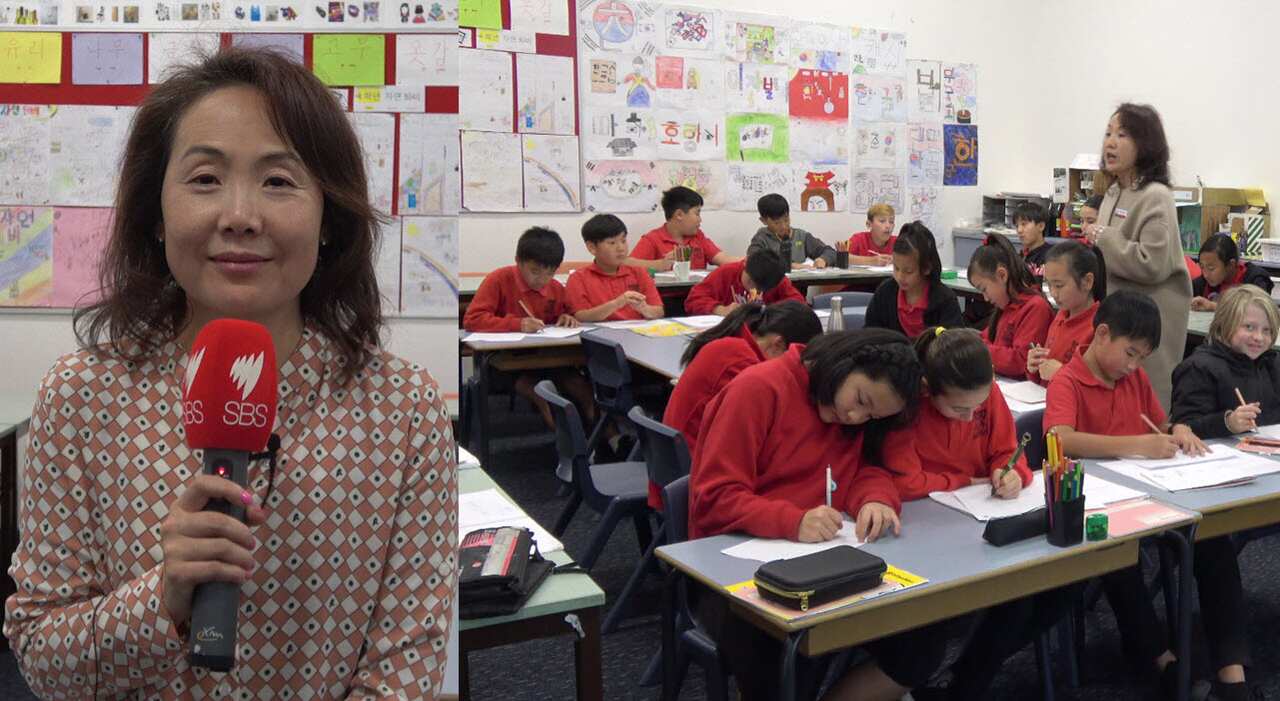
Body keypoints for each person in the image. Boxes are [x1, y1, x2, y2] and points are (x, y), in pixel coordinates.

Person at [4, 48, 455, 699]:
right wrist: (160, 599)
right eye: (205, 178)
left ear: (330, 216)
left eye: (279, 181)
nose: (240, 214)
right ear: (155, 217)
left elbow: (407, 657)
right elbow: (43, 660)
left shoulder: (404, 407)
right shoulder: (80, 395)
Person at [691, 329, 948, 701]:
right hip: (729, 572)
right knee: (777, 657)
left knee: (922, 640)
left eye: (870, 415)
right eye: (859, 399)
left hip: (819, 564)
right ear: (845, 362)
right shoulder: (759, 389)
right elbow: (712, 498)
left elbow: (868, 468)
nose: (854, 417)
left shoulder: (854, 417)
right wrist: (793, 521)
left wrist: (874, 498)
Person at [654, 301, 821, 508]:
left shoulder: (736, 342)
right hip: (692, 475)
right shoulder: (742, 363)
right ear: (777, 344)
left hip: (677, 462)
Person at [1082, 103, 1191, 408]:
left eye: (1122, 134)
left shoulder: (1156, 195)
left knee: (1145, 406)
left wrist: (1104, 237)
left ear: (1146, 145)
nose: (1110, 142)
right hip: (1118, 316)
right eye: (1108, 133)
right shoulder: (1115, 193)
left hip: (1149, 323)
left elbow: (1152, 264)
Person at [462, 226, 596, 430]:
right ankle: (570, 446)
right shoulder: (499, 279)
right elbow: (472, 319)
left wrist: (566, 317)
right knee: (543, 395)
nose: (541, 279)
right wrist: (517, 324)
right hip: (505, 361)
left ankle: (608, 441)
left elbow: (564, 313)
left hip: (548, 358)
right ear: (518, 261)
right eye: (534, 271)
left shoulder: (556, 288)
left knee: (583, 389)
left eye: (549, 273)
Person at [888, 327, 1031, 501]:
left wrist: (1012, 474)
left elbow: (1007, 451)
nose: (970, 417)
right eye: (959, 409)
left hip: (982, 502)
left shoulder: (988, 393)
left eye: (978, 406)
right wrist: (965, 482)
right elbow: (903, 483)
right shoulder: (907, 408)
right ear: (927, 389)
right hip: (928, 507)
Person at [966, 234, 1053, 379]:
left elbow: (1020, 361)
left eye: (984, 289)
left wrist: (982, 349)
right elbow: (983, 339)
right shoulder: (1006, 306)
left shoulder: (1035, 307)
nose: (985, 298)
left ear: (1002, 275)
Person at [864, 222, 964, 338]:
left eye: (909, 271)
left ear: (926, 268)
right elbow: (870, 335)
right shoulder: (886, 292)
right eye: (896, 268)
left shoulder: (944, 299)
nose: (900, 277)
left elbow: (954, 345)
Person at [1027, 241, 1105, 385]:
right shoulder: (1061, 315)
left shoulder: (1100, 328)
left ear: (1087, 281)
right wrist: (1035, 367)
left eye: (1059, 285)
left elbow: (1100, 389)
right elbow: (1045, 376)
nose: (1053, 293)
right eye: (1049, 284)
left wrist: (1061, 373)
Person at [567, 214, 664, 322]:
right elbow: (581, 317)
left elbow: (659, 311)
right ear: (592, 247)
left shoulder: (638, 272)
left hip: (637, 333)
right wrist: (617, 303)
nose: (621, 248)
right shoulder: (578, 278)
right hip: (598, 335)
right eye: (612, 243)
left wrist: (645, 309)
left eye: (623, 241)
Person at [627, 186, 735, 271]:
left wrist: (750, 261)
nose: (700, 220)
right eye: (697, 213)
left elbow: (724, 259)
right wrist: (659, 264)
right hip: (665, 297)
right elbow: (626, 263)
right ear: (679, 215)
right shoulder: (653, 239)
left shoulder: (698, 237)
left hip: (697, 295)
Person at [683, 249, 805, 316]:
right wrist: (720, 310)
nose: (753, 290)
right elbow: (693, 300)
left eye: (761, 289)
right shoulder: (726, 273)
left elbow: (799, 304)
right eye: (750, 282)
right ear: (745, 262)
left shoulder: (775, 277)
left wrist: (771, 311)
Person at [747, 192, 836, 269]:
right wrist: (789, 265)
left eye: (786, 220)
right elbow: (753, 261)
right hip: (774, 287)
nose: (783, 226)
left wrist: (823, 259)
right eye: (777, 223)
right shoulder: (761, 238)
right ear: (763, 221)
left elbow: (830, 252)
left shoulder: (801, 236)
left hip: (799, 287)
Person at [1191, 233, 1274, 311]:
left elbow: (1259, 310)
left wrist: (1213, 306)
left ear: (1231, 265)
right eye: (1202, 267)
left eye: (1211, 268)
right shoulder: (1201, 283)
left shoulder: (1255, 280)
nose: (1205, 274)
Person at [1012, 200, 1052, 277]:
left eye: (1024, 224)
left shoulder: (1052, 256)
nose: (1019, 230)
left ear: (1041, 226)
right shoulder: (1019, 258)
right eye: (1017, 226)